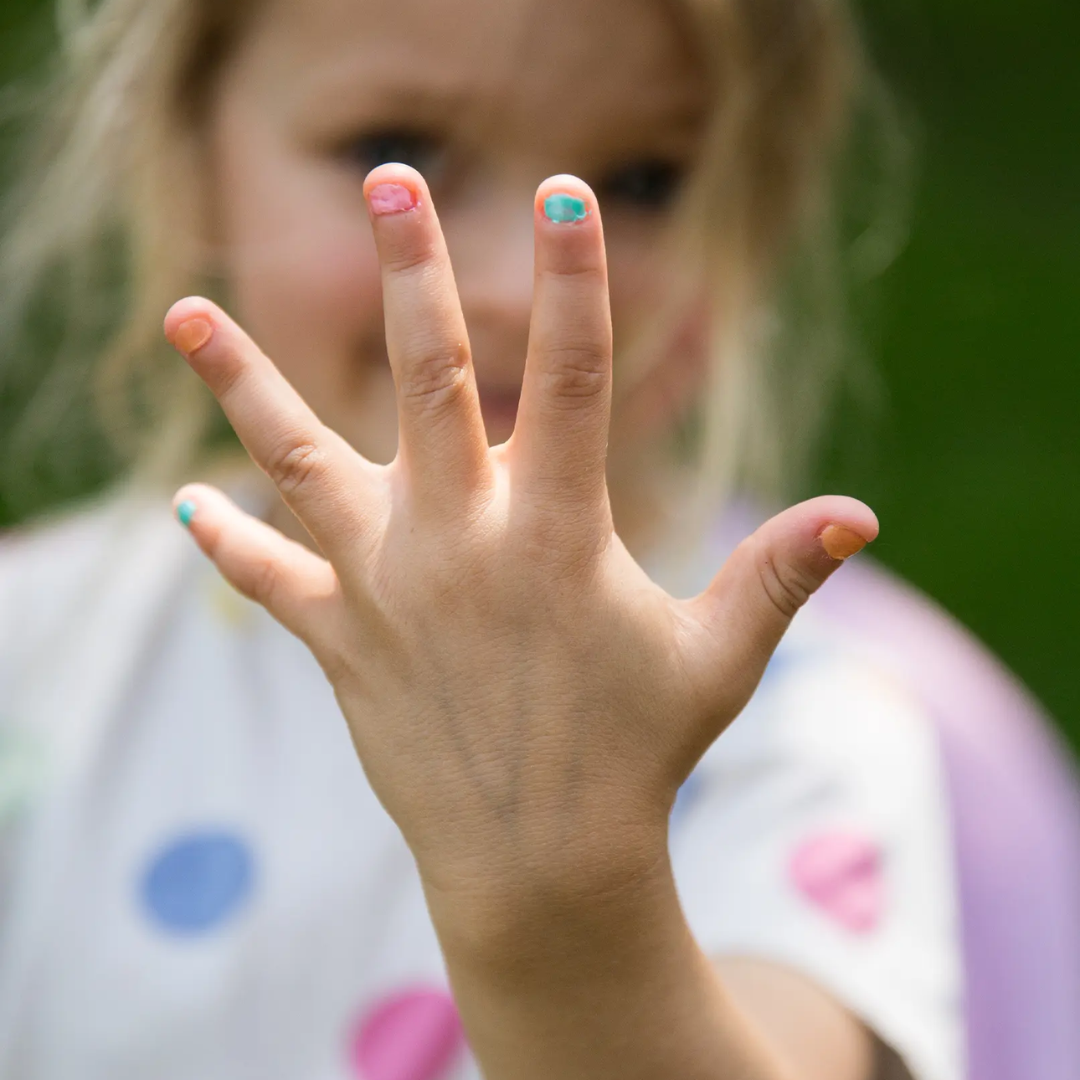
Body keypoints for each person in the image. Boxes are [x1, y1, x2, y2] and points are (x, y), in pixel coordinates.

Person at [0, 1, 1075, 1079]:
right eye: (397, 154)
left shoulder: (796, 722)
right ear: (187, 151)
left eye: (647, 181)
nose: (514, 287)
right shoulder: (34, 654)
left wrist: (559, 882)